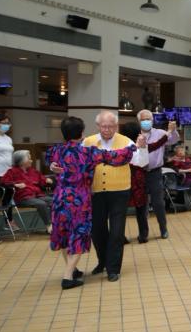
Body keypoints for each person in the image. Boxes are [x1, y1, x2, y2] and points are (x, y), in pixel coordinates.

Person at [46, 116, 139, 289]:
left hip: (60, 197)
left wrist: (52, 166)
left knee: (64, 233)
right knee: (78, 234)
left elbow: (49, 160)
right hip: (79, 198)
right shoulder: (87, 152)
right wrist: (134, 147)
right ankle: (68, 277)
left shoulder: (55, 150)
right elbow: (116, 157)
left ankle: (72, 270)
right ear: (82, 133)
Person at [82, 111, 148, 282]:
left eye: (111, 126)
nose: (107, 129)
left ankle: (113, 268)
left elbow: (141, 162)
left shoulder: (125, 141)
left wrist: (142, 147)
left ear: (116, 126)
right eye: (104, 126)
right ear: (98, 126)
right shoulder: (88, 142)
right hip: (96, 192)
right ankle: (102, 261)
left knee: (117, 231)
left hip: (120, 191)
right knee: (97, 230)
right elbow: (77, 164)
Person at [119, 121, 169, 244]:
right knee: (141, 210)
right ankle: (143, 235)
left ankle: (121, 237)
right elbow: (157, 144)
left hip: (123, 181)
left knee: (120, 211)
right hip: (139, 181)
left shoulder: (121, 147)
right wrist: (168, 133)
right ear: (137, 133)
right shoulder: (142, 145)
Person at [137, 110, 179, 239]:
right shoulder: (134, 134)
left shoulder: (159, 133)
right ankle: (143, 233)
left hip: (155, 173)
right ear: (139, 121)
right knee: (141, 204)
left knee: (158, 203)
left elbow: (173, 140)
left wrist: (173, 130)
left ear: (153, 120)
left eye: (148, 119)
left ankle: (163, 228)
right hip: (139, 174)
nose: (146, 121)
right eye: (144, 119)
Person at [1, 150, 54, 234]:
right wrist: (15, 185)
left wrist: (46, 180)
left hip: (37, 195)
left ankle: (56, 224)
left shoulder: (32, 171)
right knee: (41, 203)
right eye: (29, 159)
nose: (31, 160)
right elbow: (3, 182)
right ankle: (49, 226)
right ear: (21, 161)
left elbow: (41, 179)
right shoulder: (12, 172)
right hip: (23, 198)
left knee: (54, 201)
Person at [0, 113, 15, 240]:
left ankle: (8, 221)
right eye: (4, 122)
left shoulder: (8, 139)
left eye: (8, 123)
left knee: (8, 199)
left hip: (7, 173)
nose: (6, 125)